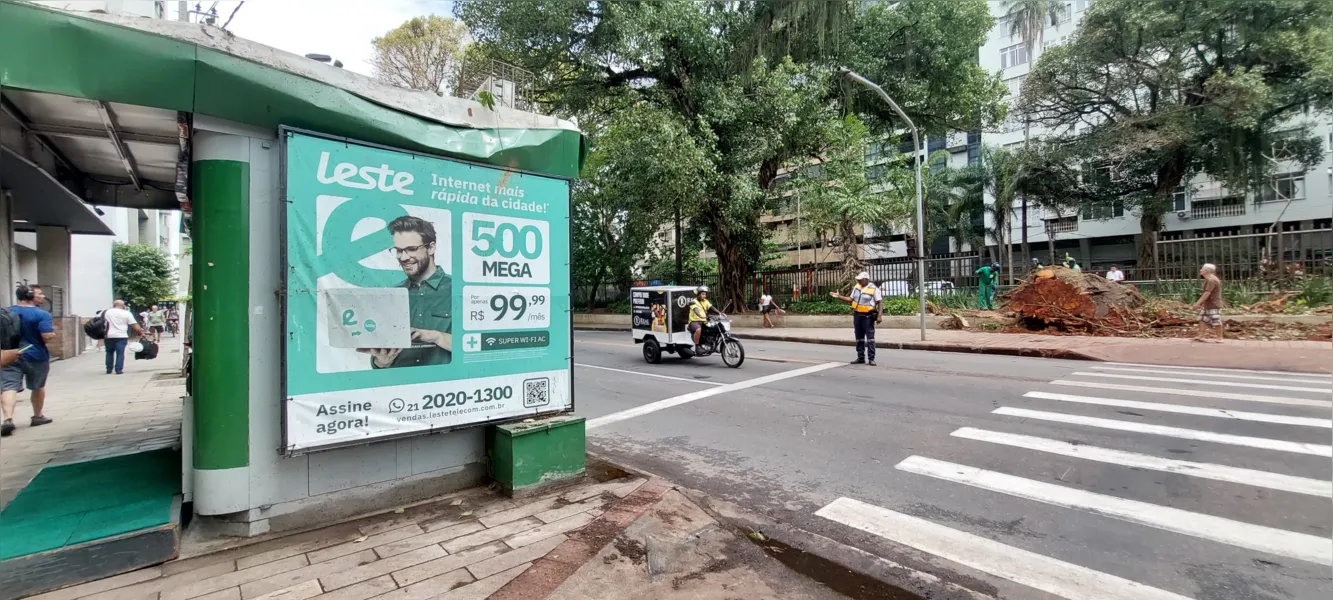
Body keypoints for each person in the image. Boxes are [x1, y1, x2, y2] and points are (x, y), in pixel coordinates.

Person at [362, 216, 452, 368]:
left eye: (411, 249)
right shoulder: (391, 295)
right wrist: (382, 361)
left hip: (445, 387)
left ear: (431, 248)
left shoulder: (458, 290)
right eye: (398, 251)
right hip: (400, 387)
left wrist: (436, 337)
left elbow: (478, 344)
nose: (403, 257)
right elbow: (380, 360)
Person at [1, 285, 56, 437]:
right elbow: (46, 335)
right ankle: (37, 416)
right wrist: (52, 334)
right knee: (37, 386)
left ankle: (7, 419)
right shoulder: (41, 314)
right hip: (35, 355)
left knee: (8, 387)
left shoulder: (6, 312)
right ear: (31, 296)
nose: (43, 296)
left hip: (9, 354)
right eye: (40, 294)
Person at [830, 272, 882, 366]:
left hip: (868, 317)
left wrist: (879, 315)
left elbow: (879, 302)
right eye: (858, 279)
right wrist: (839, 296)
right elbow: (851, 300)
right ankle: (860, 357)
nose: (858, 280)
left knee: (870, 338)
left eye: (860, 279)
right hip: (857, 315)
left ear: (866, 279)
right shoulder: (857, 287)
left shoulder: (874, 288)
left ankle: (871, 358)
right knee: (859, 338)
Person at [103, 300, 144, 375]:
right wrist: (141, 332)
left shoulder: (107, 312)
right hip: (121, 336)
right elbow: (134, 324)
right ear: (123, 305)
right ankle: (118, 370)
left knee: (109, 352)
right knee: (120, 353)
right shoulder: (126, 313)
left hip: (109, 335)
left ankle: (108, 369)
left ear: (114, 305)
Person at [1193, 263, 1225, 343]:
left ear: (1207, 271)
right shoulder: (1210, 279)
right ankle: (1201, 336)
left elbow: (1207, 293)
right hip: (1208, 304)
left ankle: (1220, 338)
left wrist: (1197, 303)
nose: (1200, 270)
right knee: (1202, 319)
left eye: (1202, 269)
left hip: (1213, 304)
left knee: (1216, 320)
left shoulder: (1211, 280)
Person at [688, 285, 721, 352]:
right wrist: (699, 315)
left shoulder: (705, 301)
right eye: (703, 294)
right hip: (694, 322)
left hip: (704, 321)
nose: (704, 296)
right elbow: (695, 310)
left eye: (705, 294)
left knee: (716, 327)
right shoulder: (693, 302)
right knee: (698, 329)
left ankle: (713, 344)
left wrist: (719, 313)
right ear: (698, 294)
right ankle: (697, 347)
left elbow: (711, 308)